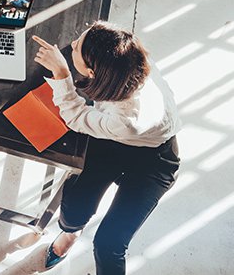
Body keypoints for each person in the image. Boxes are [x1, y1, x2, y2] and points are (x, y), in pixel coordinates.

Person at [31, 21, 181, 275]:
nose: (74, 44)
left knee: (108, 244)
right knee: (76, 207)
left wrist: (61, 74)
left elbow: (76, 117)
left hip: (156, 159)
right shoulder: (131, 60)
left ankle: (70, 233)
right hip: (116, 138)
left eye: (77, 46)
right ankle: (70, 233)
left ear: (92, 72)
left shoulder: (128, 119)